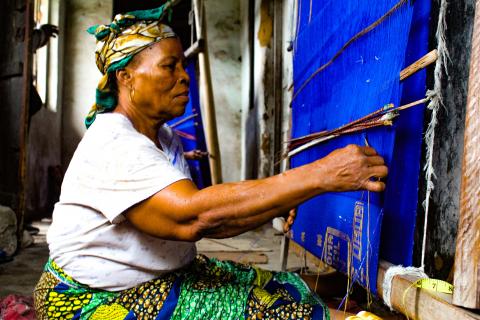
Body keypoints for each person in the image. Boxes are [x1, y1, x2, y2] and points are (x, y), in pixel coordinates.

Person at [33, 5, 388, 320]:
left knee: (275, 285)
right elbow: (194, 218)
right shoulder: (114, 143)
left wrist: (277, 202)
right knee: (279, 312)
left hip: (161, 275)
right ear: (125, 77)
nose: (184, 77)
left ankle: (338, 296)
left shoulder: (164, 137)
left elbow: (215, 222)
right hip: (95, 300)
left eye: (182, 67)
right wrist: (320, 175)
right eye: (169, 67)